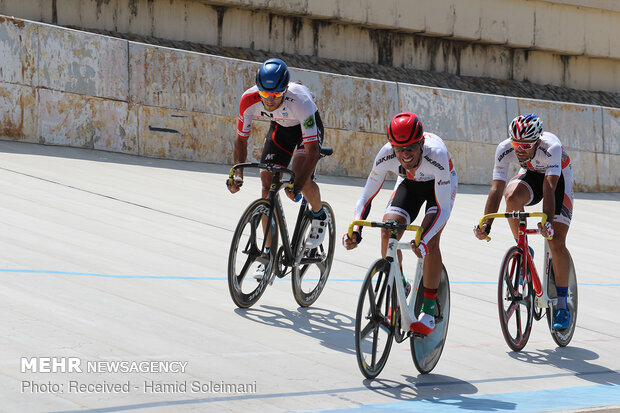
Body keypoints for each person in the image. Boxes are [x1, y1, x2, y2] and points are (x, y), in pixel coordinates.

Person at [344, 112, 458, 336]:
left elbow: (443, 209)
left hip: (439, 188)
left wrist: (423, 239)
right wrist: (356, 230)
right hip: (410, 185)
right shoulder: (386, 155)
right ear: (391, 146)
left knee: (431, 241)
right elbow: (366, 196)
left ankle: (428, 310)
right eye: (399, 148)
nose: (404, 154)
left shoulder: (437, 155)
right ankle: (401, 283)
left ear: (422, 143)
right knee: (388, 231)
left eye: (411, 148)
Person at [227, 58, 328, 279]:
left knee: (301, 177)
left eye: (275, 95)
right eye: (265, 95)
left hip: (305, 131)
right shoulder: (249, 99)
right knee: (266, 182)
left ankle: (320, 216)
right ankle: (267, 255)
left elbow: (312, 153)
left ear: (284, 90)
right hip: (281, 129)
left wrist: (298, 185)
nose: (269, 100)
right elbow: (241, 139)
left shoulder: (300, 101)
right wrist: (239, 173)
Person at [474, 113, 574, 330]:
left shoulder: (552, 147)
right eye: (516, 143)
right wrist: (486, 224)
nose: (519, 149)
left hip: (557, 181)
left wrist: (547, 221)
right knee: (511, 198)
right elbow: (497, 188)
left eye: (526, 145)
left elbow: (549, 188)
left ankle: (563, 305)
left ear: (537, 141)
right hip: (531, 175)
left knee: (556, 240)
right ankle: (524, 250)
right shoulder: (504, 149)